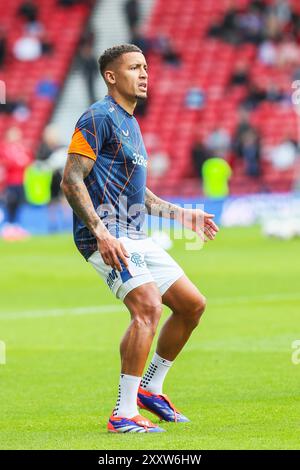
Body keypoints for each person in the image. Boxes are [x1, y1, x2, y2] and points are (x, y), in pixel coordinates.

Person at [61, 44, 219, 434]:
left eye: (146, 67)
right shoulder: (96, 118)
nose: (145, 74)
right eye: (134, 68)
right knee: (147, 308)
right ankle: (124, 412)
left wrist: (180, 213)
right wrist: (99, 231)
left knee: (191, 305)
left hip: (133, 232)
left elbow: (139, 194)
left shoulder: (130, 123)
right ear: (111, 77)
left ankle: (151, 388)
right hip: (105, 234)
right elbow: (70, 179)